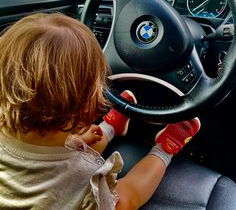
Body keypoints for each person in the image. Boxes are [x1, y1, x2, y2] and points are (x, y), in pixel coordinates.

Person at [0, 13, 200, 210]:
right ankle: (165, 148)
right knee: (127, 197)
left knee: (85, 142)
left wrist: (73, 140)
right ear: (84, 107)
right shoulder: (84, 179)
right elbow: (121, 200)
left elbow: (35, 155)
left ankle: (111, 126)